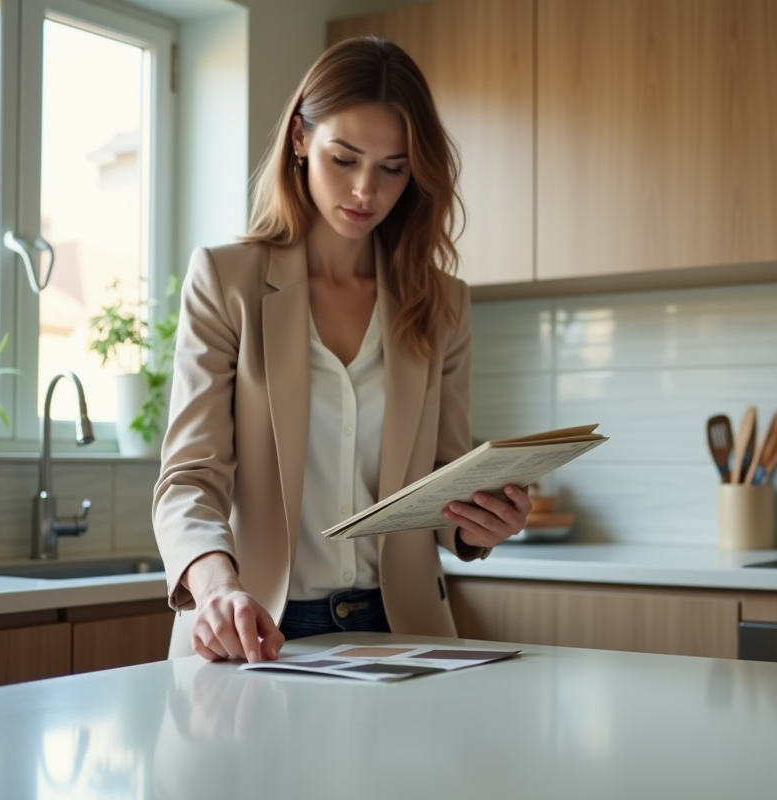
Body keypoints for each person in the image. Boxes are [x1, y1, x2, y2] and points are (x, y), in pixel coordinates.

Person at [152, 36, 531, 663]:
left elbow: (442, 486)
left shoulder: (442, 305)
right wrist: (217, 587)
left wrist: (478, 524)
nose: (365, 190)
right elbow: (189, 478)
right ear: (300, 138)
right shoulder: (226, 282)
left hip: (402, 630)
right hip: (258, 630)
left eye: (392, 167)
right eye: (344, 158)